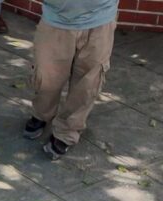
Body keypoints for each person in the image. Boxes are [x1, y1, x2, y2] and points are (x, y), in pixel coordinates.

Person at [23, 0, 118, 160]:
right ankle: (42, 113)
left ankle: (67, 131)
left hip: (100, 20)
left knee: (88, 84)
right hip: (56, 20)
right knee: (46, 77)